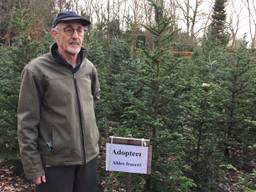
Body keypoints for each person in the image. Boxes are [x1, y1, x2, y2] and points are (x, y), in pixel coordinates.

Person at [17, 11, 100, 192]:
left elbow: (92, 105)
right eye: (69, 30)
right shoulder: (36, 71)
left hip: (89, 161)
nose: (75, 36)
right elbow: (27, 122)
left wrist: (93, 145)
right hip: (55, 164)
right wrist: (33, 166)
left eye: (80, 30)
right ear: (55, 34)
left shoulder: (89, 68)